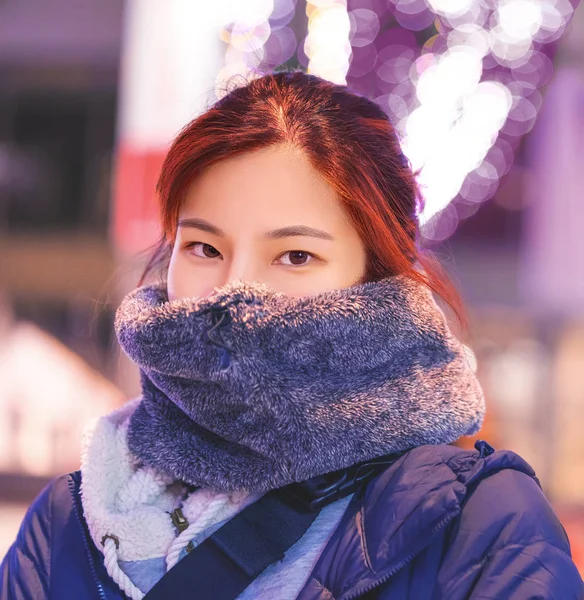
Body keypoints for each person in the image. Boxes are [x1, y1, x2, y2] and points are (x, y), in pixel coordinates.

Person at [1, 71, 582, 600]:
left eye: (295, 255)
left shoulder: (481, 528)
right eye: (204, 247)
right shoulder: (68, 524)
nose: (233, 289)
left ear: (375, 278)